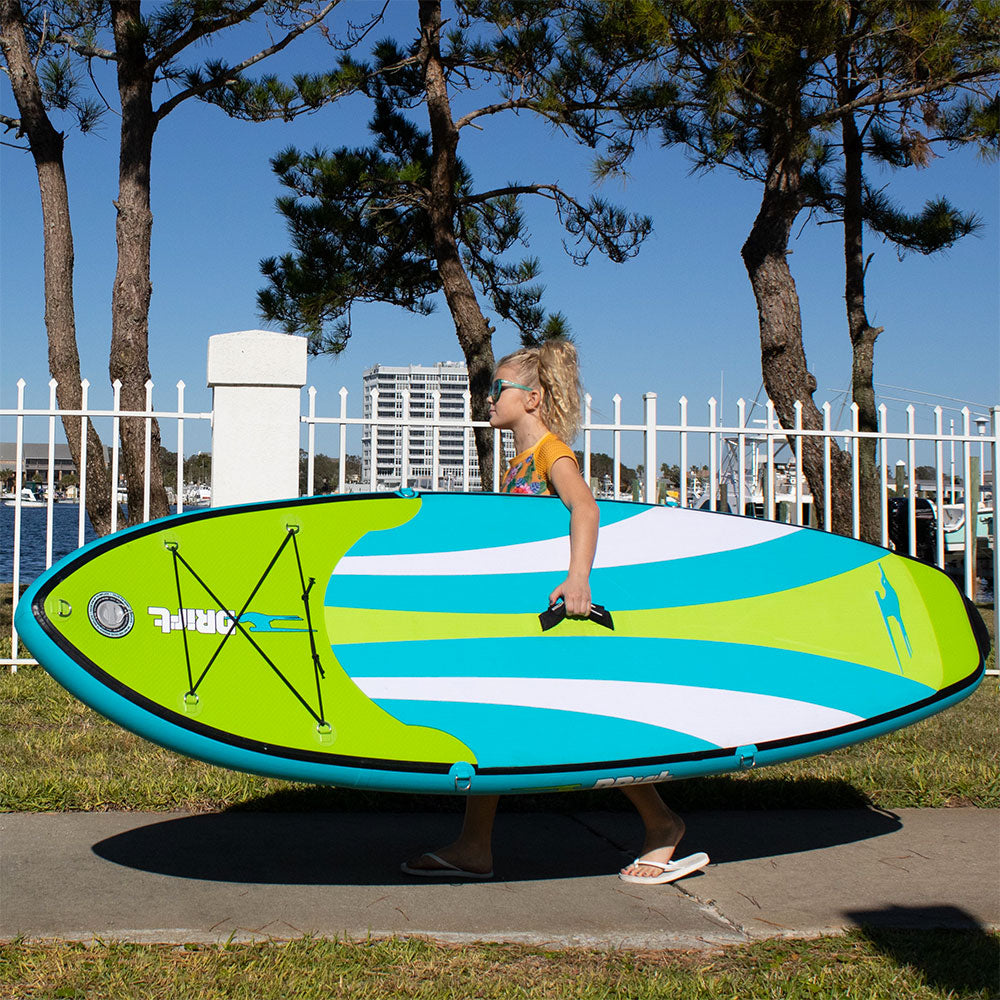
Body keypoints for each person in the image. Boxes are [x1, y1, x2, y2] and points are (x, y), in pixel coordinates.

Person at [401, 341, 705, 885]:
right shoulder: (519, 459)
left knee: (585, 719)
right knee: (497, 718)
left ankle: (663, 826)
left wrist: (579, 577)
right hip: (527, 616)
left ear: (533, 398)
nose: (488, 397)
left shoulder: (549, 452)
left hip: (559, 613)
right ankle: (475, 847)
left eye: (498, 389)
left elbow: (585, 506)